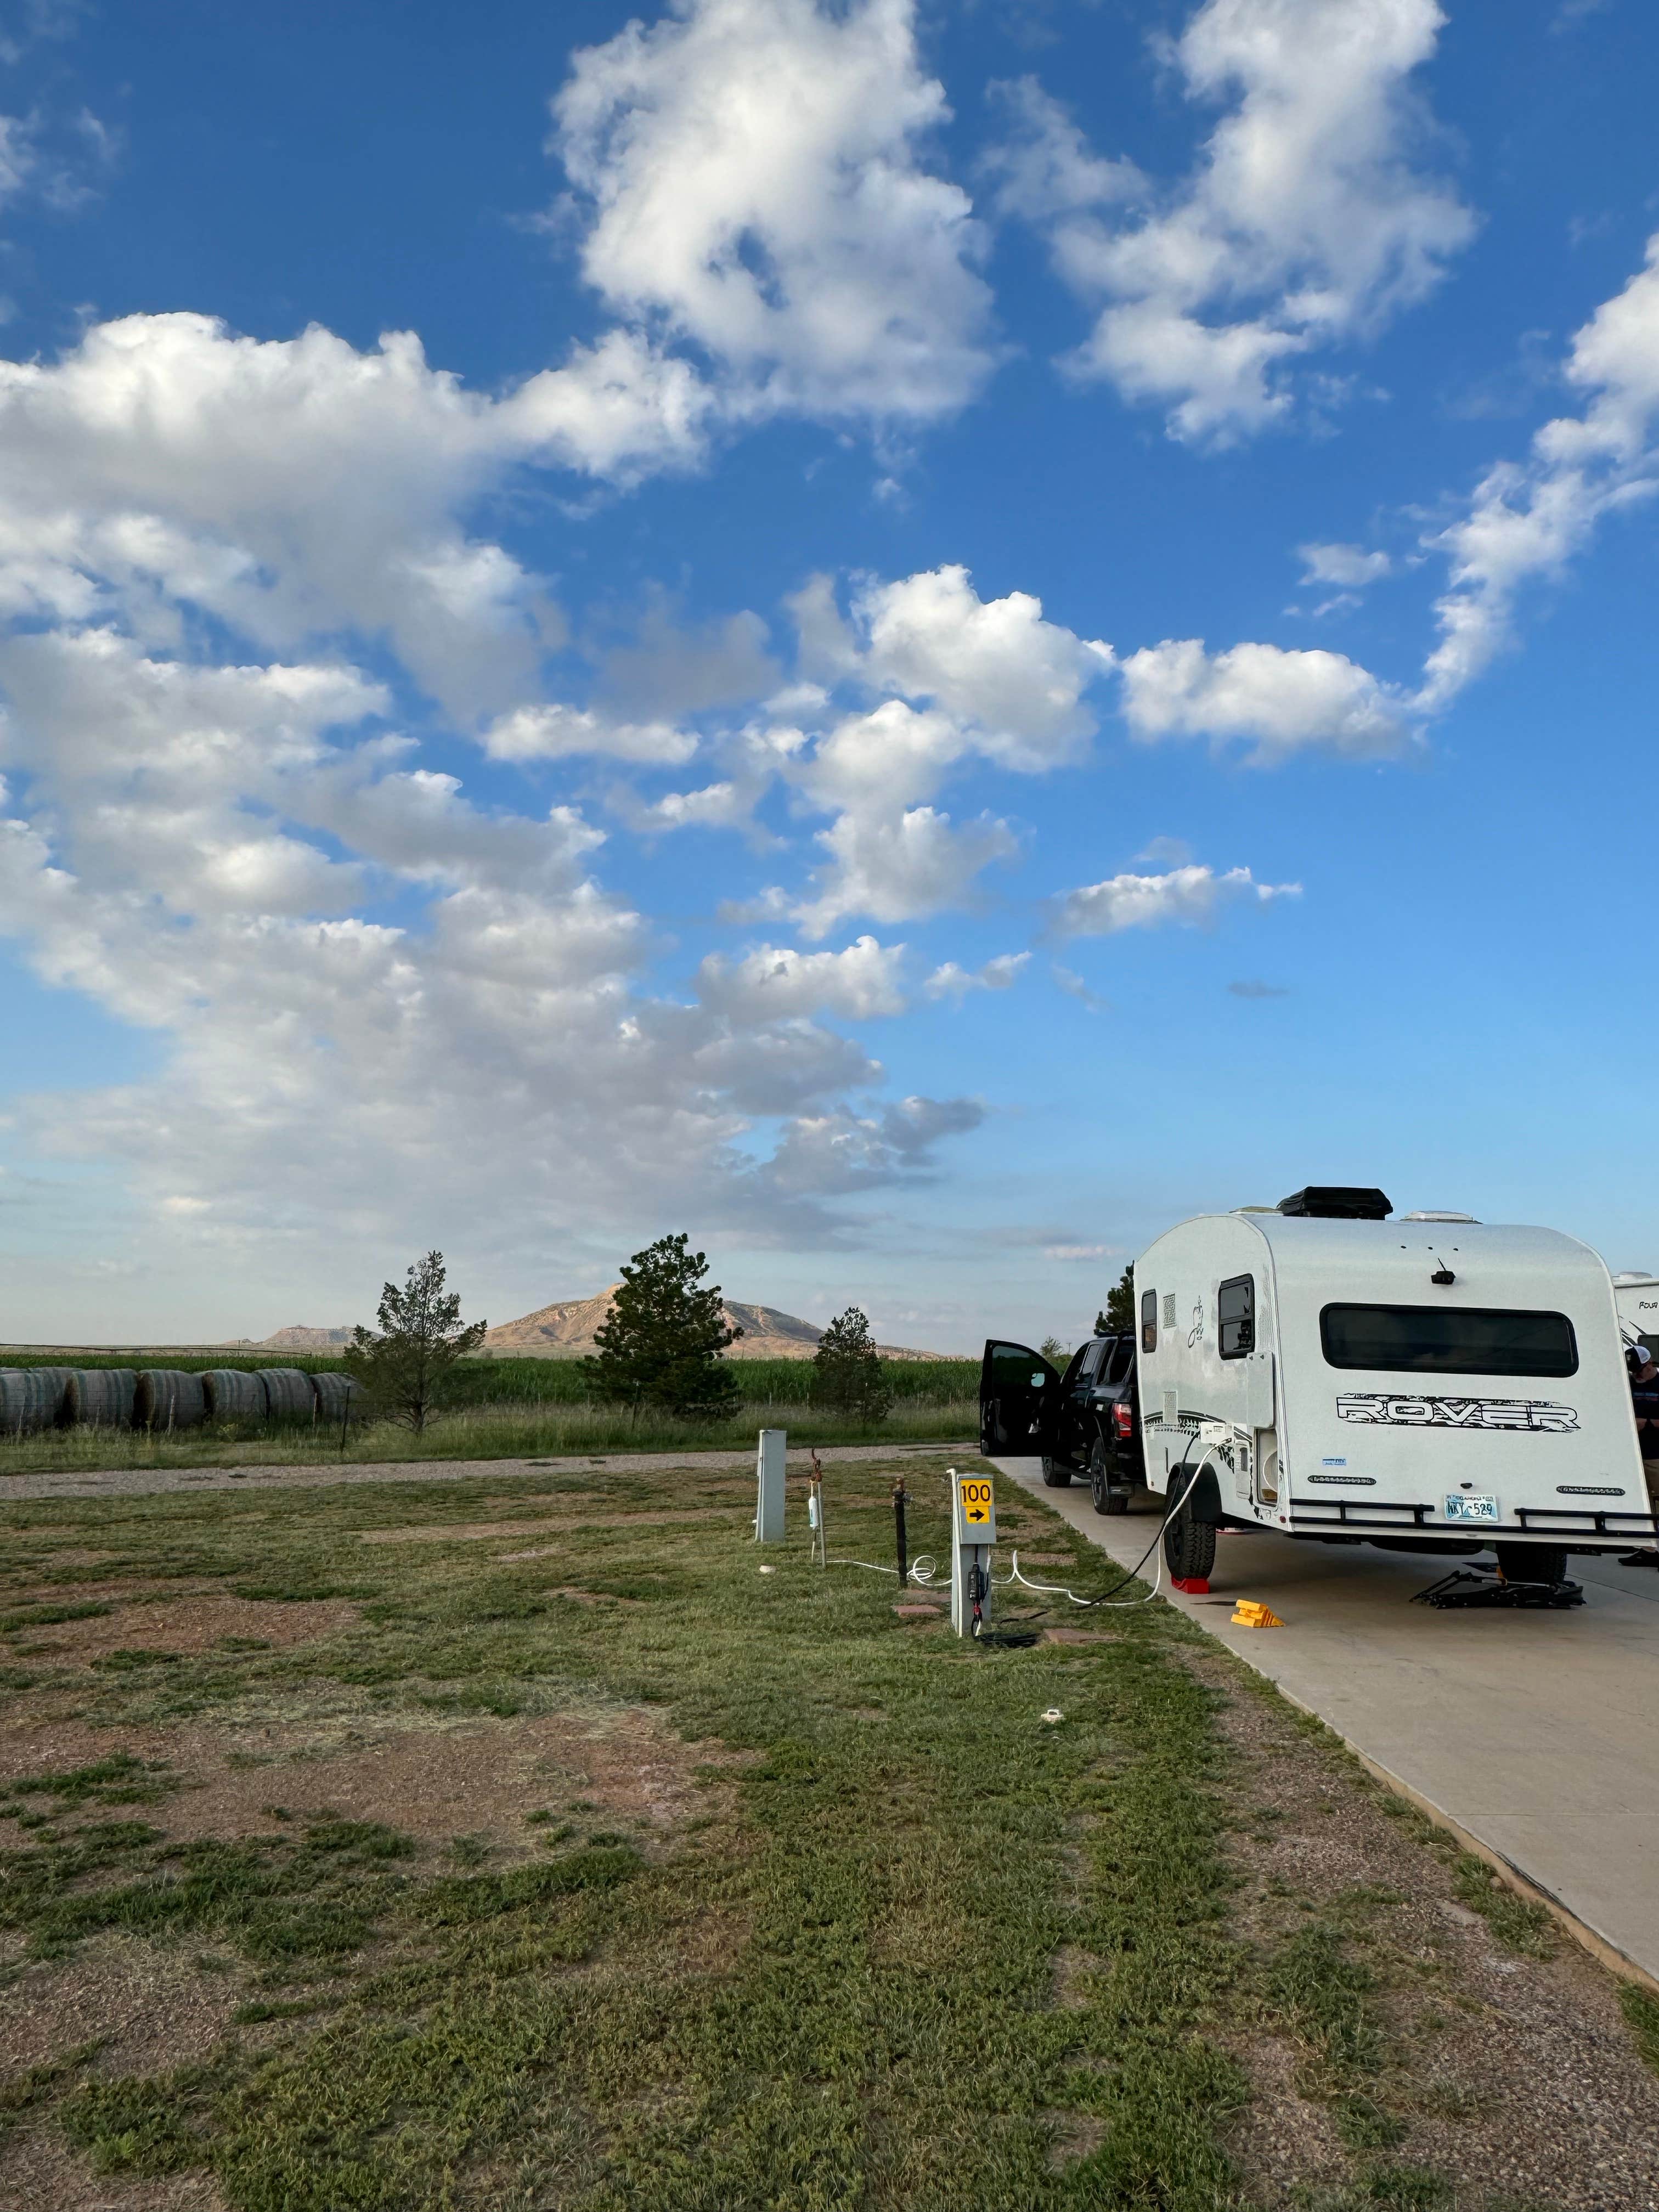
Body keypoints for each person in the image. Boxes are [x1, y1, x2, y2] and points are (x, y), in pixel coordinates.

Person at [1621, 1341, 1659, 1566]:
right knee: (1644, 1502)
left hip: (1656, 1453)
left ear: (1650, 1364)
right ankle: (1649, 1549)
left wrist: (1647, 1423)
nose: (1637, 1375)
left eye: (1640, 1370)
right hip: (1634, 1454)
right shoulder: (1627, 1384)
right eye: (1633, 1371)